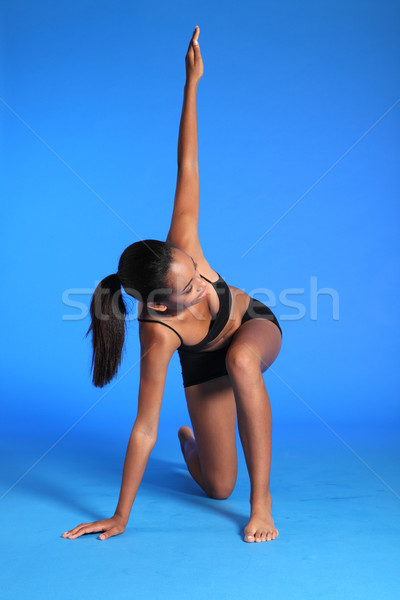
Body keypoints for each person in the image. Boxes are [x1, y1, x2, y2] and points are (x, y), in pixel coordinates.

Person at [62, 25, 282, 544]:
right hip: (204, 363)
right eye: (188, 288)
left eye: (192, 269)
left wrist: (192, 82)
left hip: (251, 329)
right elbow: (144, 426)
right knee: (217, 487)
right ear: (159, 302)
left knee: (241, 360)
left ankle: (263, 501)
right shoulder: (158, 333)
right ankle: (196, 448)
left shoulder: (180, 241)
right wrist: (120, 516)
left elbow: (187, 162)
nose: (201, 284)